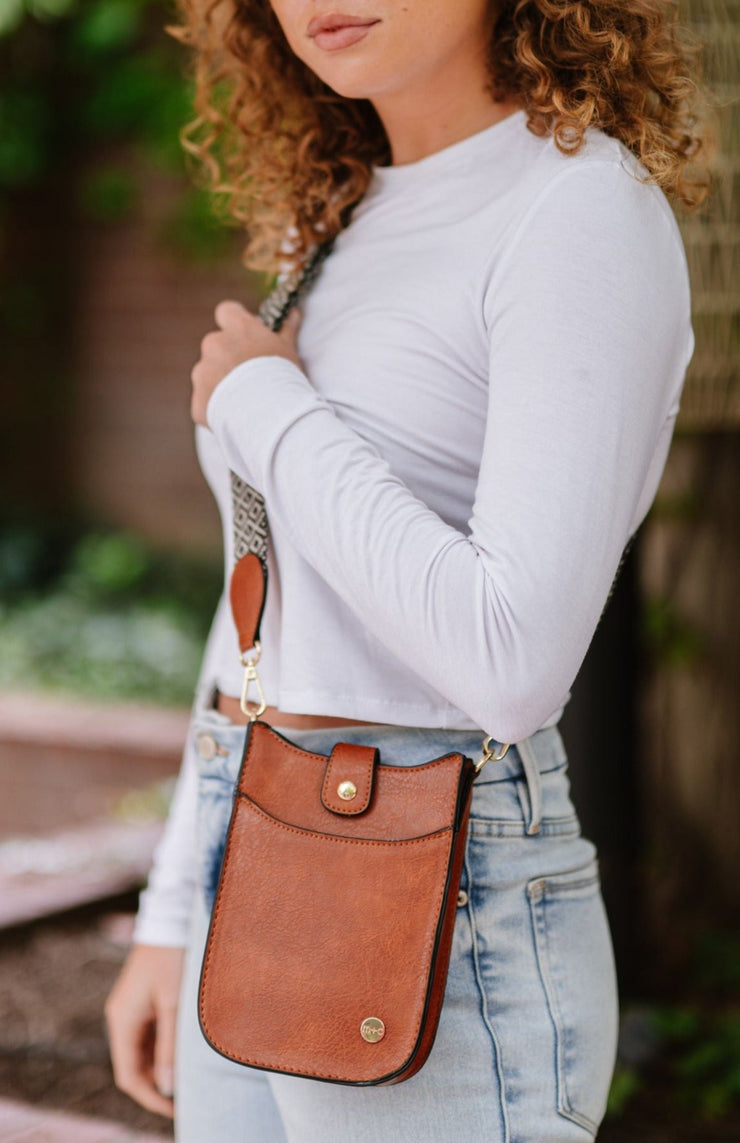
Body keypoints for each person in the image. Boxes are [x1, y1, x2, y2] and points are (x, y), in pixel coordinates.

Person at [105, 1, 714, 1140]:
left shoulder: (576, 208)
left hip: (432, 877)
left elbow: (510, 659)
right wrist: (173, 912)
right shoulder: (334, 218)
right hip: (258, 843)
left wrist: (265, 403)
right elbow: (264, 598)